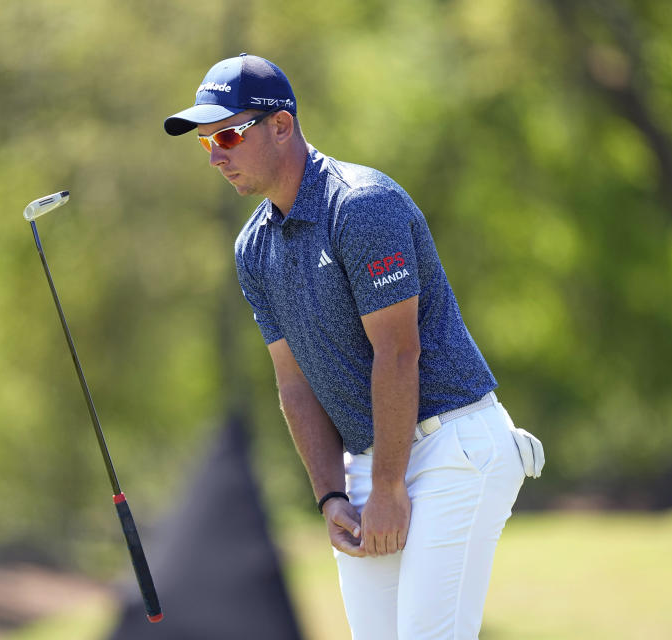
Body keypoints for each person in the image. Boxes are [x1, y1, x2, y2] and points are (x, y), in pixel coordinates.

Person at [163, 53, 544, 640]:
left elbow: (398, 354)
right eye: (206, 142)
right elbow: (293, 382)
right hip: (370, 462)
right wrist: (329, 494)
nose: (216, 155)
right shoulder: (252, 248)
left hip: (452, 450)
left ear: (282, 126)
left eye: (230, 134)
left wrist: (390, 488)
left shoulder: (362, 205)